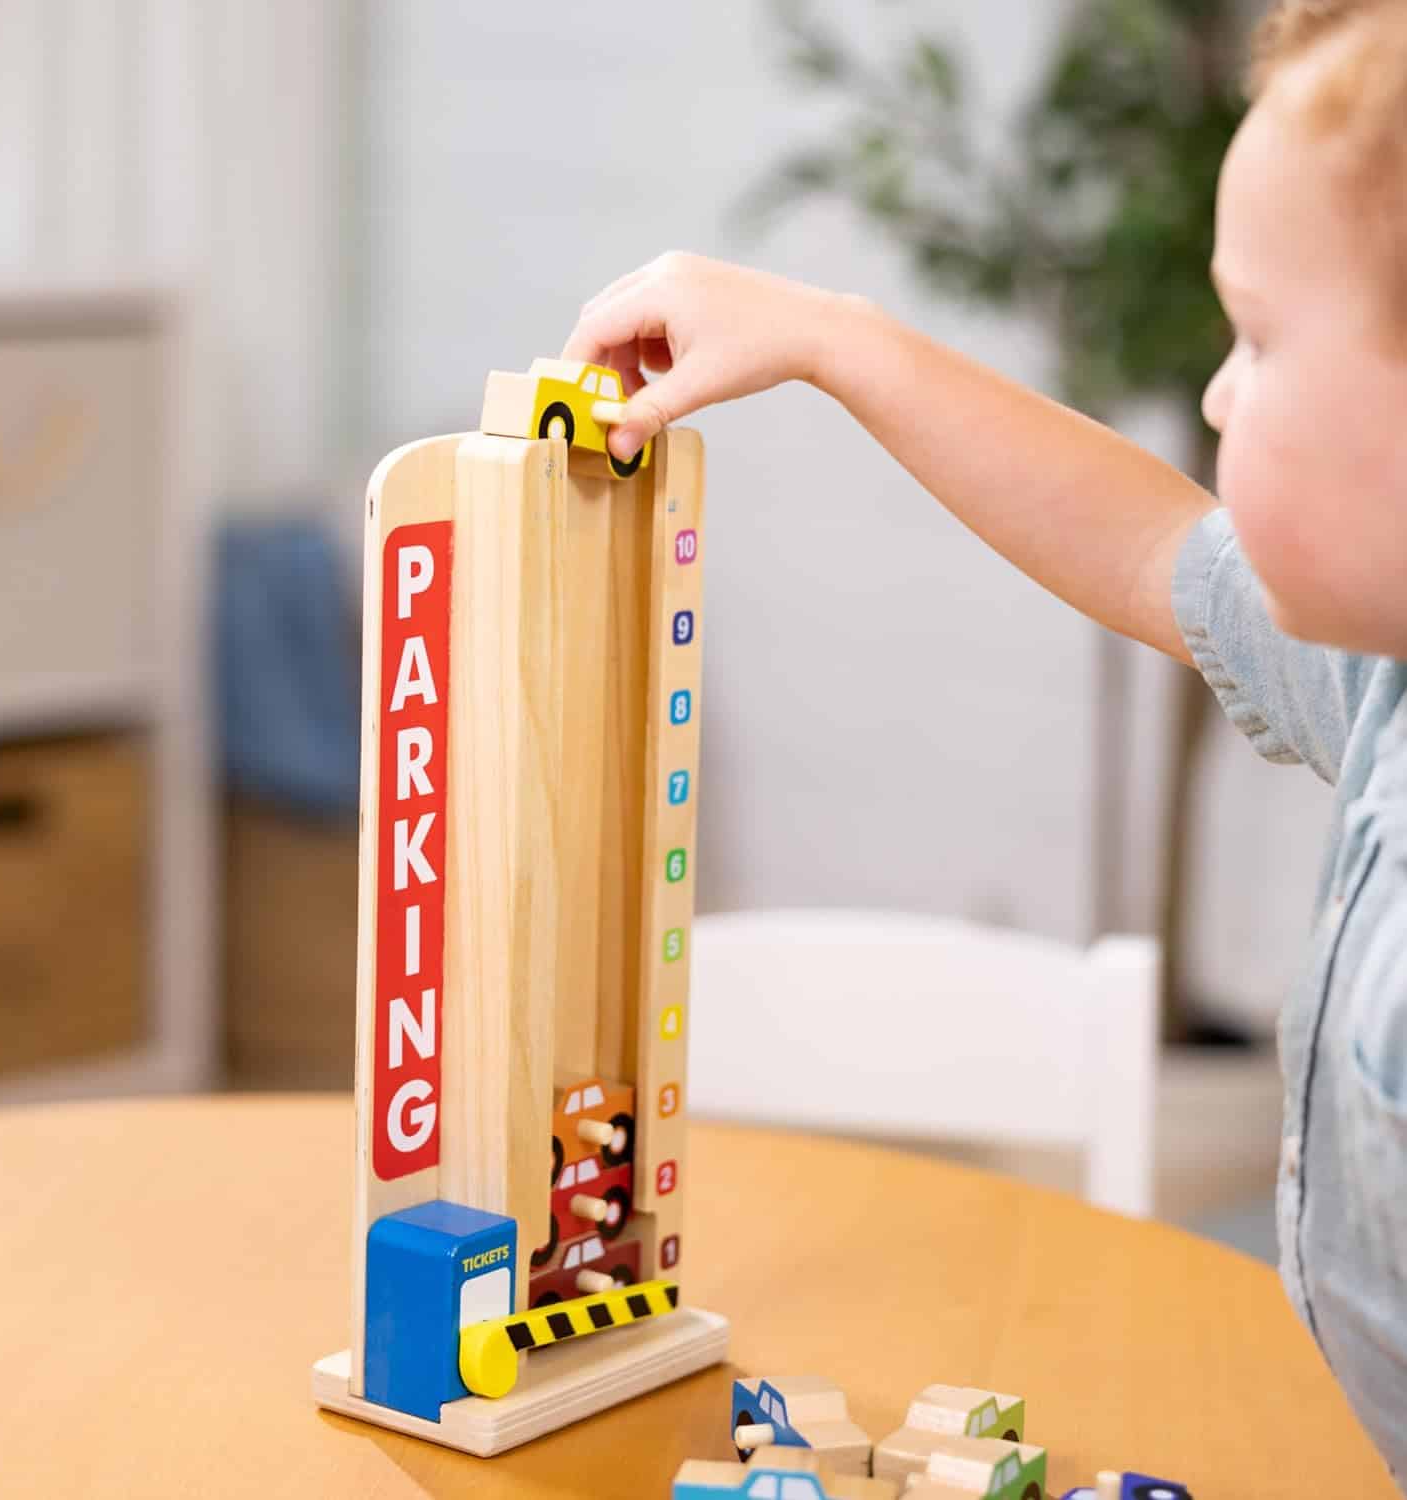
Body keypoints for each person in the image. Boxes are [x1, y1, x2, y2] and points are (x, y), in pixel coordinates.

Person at [562, 0, 1407, 1485]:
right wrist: (833, 341)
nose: (1214, 391)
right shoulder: (1378, 680)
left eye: (1259, 340)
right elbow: (1159, 552)